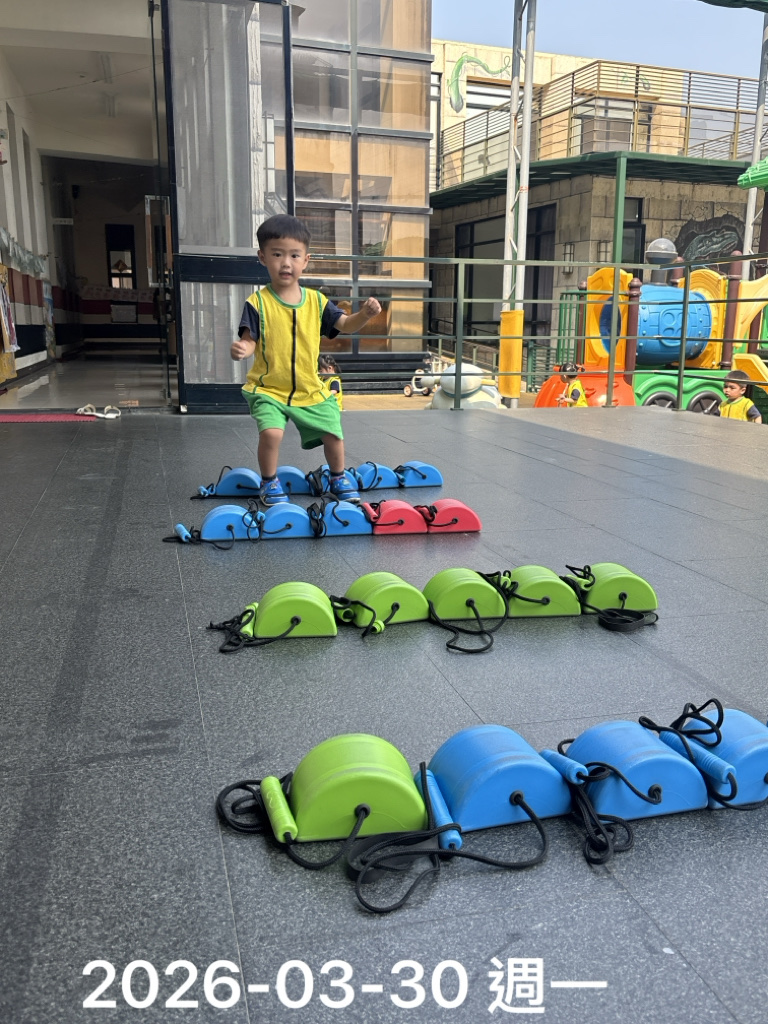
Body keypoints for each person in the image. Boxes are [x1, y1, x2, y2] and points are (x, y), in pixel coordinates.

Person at [231, 214, 381, 504]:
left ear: (306, 260)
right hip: (269, 389)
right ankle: (269, 482)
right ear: (262, 257)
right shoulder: (257, 303)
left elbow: (345, 325)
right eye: (277, 254)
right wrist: (242, 349)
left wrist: (364, 315)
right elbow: (250, 340)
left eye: (294, 255)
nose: (286, 263)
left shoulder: (317, 301)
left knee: (333, 431)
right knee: (272, 434)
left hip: (309, 388)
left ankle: (337, 477)